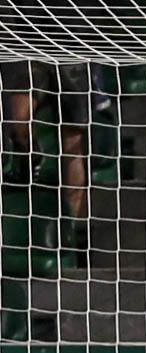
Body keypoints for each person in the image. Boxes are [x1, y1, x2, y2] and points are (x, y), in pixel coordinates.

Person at [1, 62, 90, 232]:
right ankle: (31, 158)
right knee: (18, 122)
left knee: (72, 142)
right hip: (26, 44)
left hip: (70, 49)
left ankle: (71, 230)